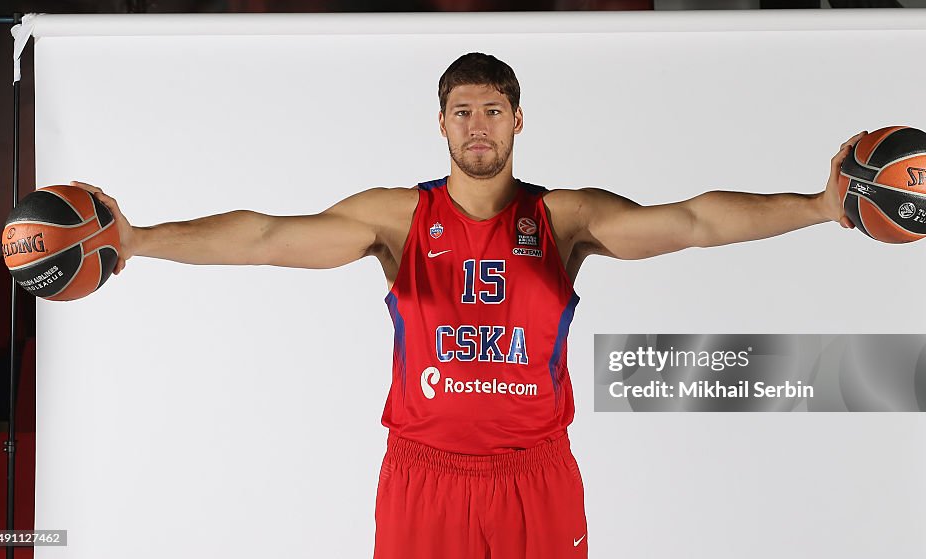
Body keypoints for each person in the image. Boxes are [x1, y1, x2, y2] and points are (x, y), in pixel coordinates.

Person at [72, 52, 864, 559]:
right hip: (425, 477)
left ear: (518, 120)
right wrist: (138, 239)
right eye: (463, 110)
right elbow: (266, 236)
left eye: (493, 109)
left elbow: (692, 221)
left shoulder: (563, 218)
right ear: (441, 123)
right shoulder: (397, 219)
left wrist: (821, 207)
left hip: (535, 477)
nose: (478, 125)